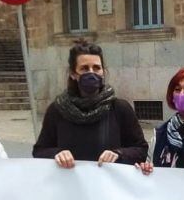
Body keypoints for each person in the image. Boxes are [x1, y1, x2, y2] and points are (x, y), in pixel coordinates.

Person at [33, 39, 148, 168]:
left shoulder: (119, 108)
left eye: (97, 68)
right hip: (69, 185)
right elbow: (39, 151)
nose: (91, 72)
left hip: (108, 185)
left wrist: (119, 154)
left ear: (103, 72)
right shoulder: (57, 110)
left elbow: (141, 150)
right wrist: (57, 154)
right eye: (84, 68)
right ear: (72, 74)